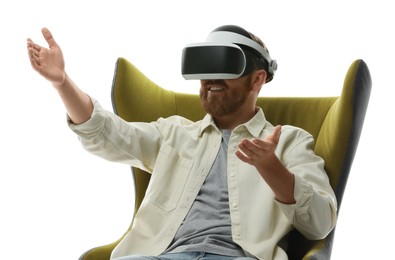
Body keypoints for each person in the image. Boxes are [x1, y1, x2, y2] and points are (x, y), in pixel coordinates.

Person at [27, 25, 337, 260]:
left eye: (223, 67)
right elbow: (106, 134)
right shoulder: (174, 134)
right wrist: (62, 83)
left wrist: (271, 167)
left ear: (256, 79)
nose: (210, 80)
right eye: (204, 70)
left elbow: (320, 224)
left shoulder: (290, 142)